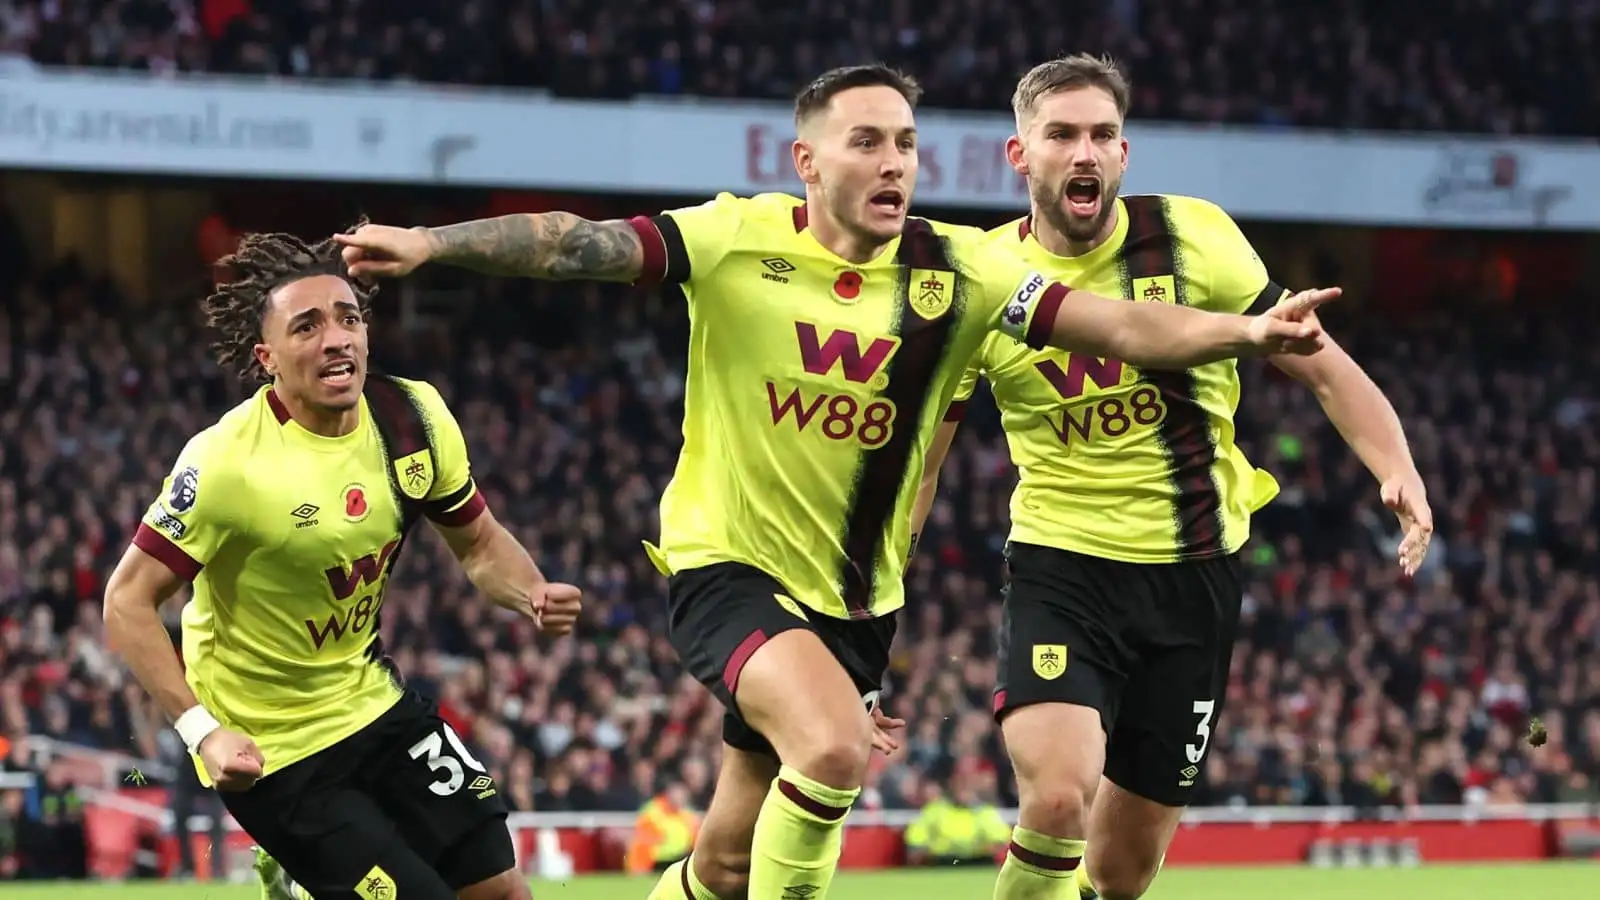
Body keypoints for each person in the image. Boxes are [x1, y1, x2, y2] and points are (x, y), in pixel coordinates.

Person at [332, 64, 1337, 900]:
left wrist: (1246, 330)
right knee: (832, 751)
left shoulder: (962, 271)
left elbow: (1118, 325)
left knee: (725, 861)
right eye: (866, 142)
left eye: (904, 142)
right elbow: (573, 245)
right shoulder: (737, 237)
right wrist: (433, 244)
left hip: (854, 601)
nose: (893, 160)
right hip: (723, 565)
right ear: (806, 162)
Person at [911, 54, 1434, 900]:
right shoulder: (978, 278)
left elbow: (1324, 364)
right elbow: (926, 459)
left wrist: (1397, 467)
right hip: (1062, 565)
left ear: (1124, 154)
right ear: (1020, 155)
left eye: (1102, 135)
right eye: (1062, 135)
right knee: (1054, 797)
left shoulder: (1196, 237)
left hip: (1195, 578)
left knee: (1121, 872)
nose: (1084, 152)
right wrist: (879, 585)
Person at [101, 227, 583, 900]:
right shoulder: (227, 463)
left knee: (503, 892)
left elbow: (478, 543)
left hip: (372, 701)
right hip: (273, 750)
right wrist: (202, 732)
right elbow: (125, 604)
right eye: (308, 327)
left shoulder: (413, 416)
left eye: (348, 318)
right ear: (267, 356)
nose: (337, 339)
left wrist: (530, 589)